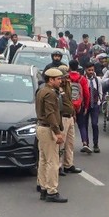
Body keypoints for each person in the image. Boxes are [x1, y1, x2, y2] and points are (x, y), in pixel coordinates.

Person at [35, 68, 67, 203]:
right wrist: (57, 132)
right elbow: (50, 114)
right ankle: (52, 191)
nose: (61, 81)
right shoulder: (50, 94)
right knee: (53, 162)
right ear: (51, 80)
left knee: (43, 160)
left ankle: (43, 187)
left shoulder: (42, 91)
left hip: (41, 127)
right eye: (58, 79)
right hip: (48, 129)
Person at [58, 65, 83, 175]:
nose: (66, 79)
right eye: (63, 77)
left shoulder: (68, 85)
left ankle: (68, 164)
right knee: (60, 144)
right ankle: (58, 166)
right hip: (61, 117)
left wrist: (73, 113)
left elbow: (69, 100)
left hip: (70, 116)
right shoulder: (56, 88)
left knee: (70, 142)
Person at [67, 60, 91, 157]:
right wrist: (86, 106)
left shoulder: (66, 78)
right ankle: (85, 143)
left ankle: (67, 145)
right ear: (78, 67)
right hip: (79, 105)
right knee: (82, 125)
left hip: (68, 106)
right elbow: (86, 94)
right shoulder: (82, 79)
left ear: (69, 67)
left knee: (68, 126)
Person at [79, 63, 103, 153]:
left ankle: (96, 144)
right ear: (85, 70)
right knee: (84, 124)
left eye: (92, 70)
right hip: (85, 105)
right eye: (89, 70)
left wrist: (99, 102)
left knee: (94, 124)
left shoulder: (98, 80)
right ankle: (86, 144)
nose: (91, 72)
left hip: (95, 105)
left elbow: (100, 91)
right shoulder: (82, 79)